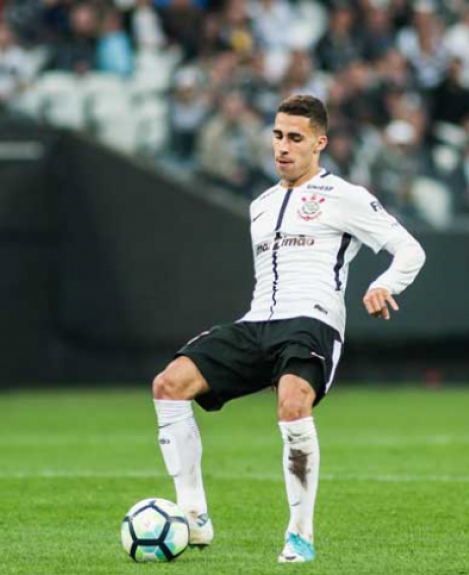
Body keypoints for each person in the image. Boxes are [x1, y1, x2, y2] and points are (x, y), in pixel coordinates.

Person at [150, 95, 426, 563]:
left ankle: (300, 534)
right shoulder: (260, 205)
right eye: (277, 135)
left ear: (319, 143)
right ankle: (194, 515)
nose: (282, 146)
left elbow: (409, 250)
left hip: (312, 320)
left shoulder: (345, 196)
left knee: (292, 402)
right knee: (169, 384)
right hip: (258, 322)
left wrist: (384, 284)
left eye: (294, 138)